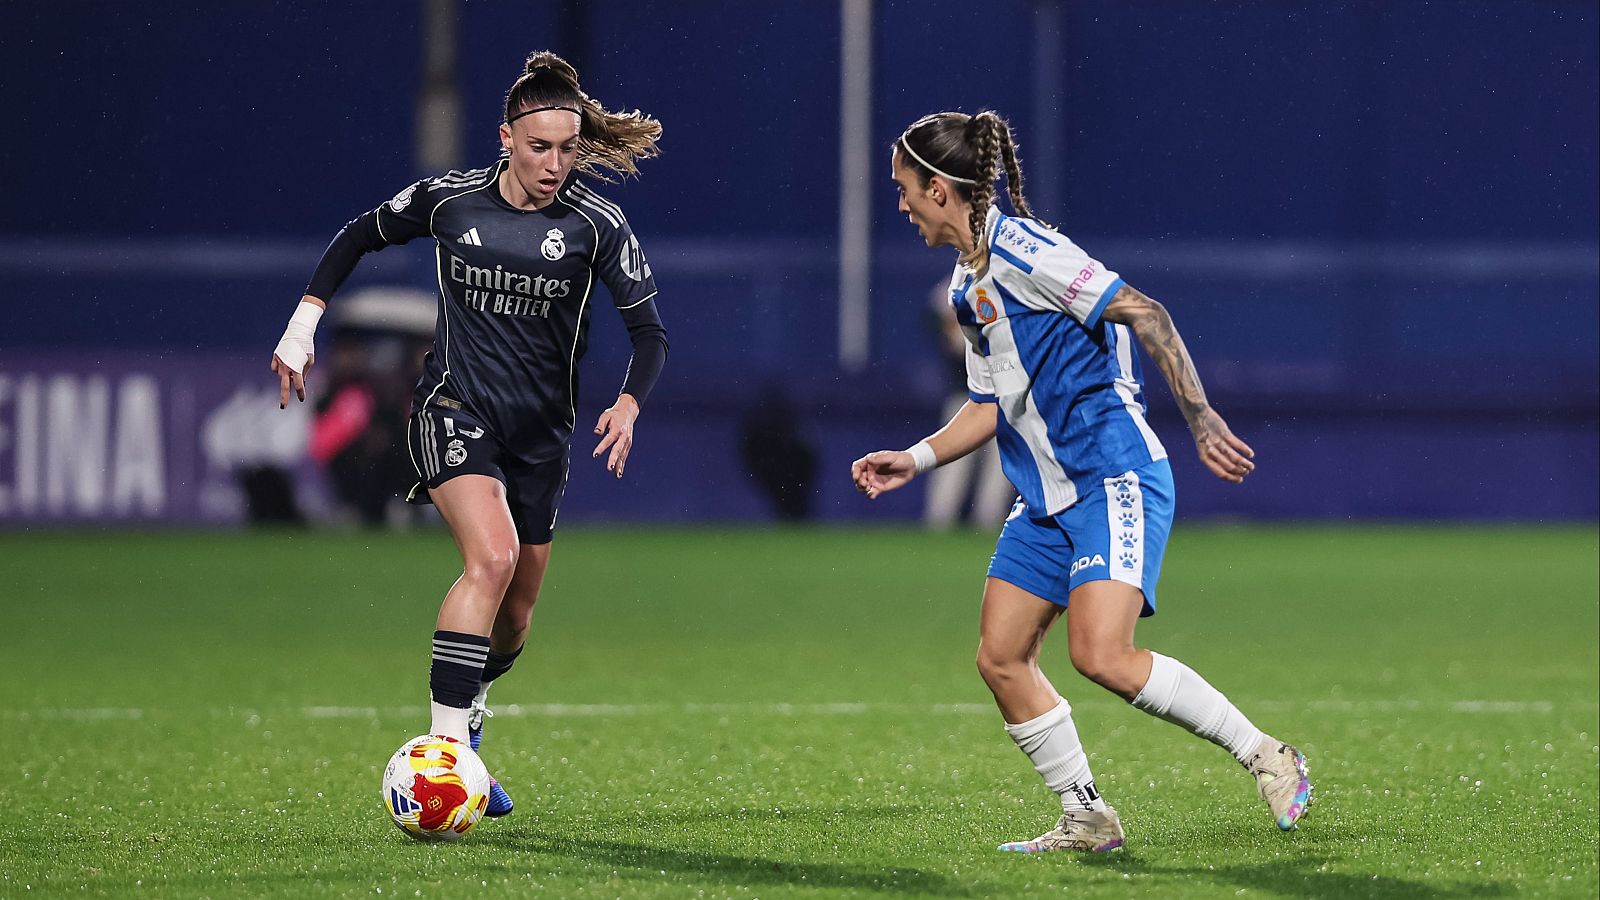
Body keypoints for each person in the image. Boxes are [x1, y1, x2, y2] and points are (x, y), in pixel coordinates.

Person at [852, 111, 1311, 853]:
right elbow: (989, 402)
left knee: (1102, 656)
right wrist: (919, 457)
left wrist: (1199, 418)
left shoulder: (1026, 251)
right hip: (1045, 499)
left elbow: (1147, 313)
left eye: (904, 189)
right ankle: (1087, 817)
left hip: (1111, 477)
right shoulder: (967, 285)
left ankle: (1267, 755)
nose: (900, 205)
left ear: (939, 190)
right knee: (1001, 657)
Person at [271, 51, 668, 820]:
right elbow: (358, 235)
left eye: (568, 148)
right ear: (505, 138)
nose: (554, 164)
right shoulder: (451, 202)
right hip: (453, 410)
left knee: (515, 617)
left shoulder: (595, 224)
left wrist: (629, 401)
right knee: (491, 557)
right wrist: (303, 324)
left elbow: (649, 331)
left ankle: (470, 711)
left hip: (540, 439)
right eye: (539, 147)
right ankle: (446, 753)